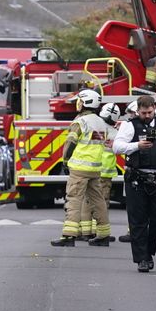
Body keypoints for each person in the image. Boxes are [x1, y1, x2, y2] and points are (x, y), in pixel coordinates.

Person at [113, 94, 156, 273]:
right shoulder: (129, 125)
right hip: (136, 179)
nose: (147, 116)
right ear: (138, 111)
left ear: (154, 109)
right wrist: (136, 145)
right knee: (138, 221)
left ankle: (148, 251)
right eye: (144, 113)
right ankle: (142, 259)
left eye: (150, 112)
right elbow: (117, 147)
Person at [52, 89, 112, 247]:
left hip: (79, 169)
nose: (77, 104)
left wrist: (65, 161)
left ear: (85, 103)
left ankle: (68, 236)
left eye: (79, 101)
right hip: (95, 170)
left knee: (73, 199)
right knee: (98, 200)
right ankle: (103, 235)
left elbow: (70, 143)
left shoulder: (80, 122)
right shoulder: (101, 123)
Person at [91, 102, 122, 246]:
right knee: (102, 203)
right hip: (105, 174)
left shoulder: (95, 129)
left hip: (92, 170)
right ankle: (101, 232)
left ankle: (89, 231)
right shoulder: (116, 133)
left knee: (90, 201)